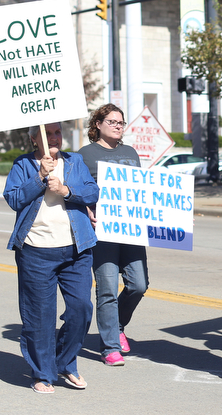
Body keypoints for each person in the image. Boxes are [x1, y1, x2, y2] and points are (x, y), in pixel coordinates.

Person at [3, 122, 99, 394]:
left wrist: (66, 191)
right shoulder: (22, 165)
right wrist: (40, 177)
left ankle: (65, 362)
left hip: (76, 249)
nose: (55, 137)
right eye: (48, 133)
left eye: (58, 132)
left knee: (80, 309)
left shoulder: (75, 161)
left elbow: (93, 191)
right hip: (36, 251)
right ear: (35, 139)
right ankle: (43, 373)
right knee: (39, 317)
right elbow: (13, 199)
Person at [78, 104, 149, 366]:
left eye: (121, 122)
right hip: (103, 232)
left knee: (138, 284)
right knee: (107, 288)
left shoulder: (130, 152)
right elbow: (77, 189)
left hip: (131, 230)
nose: (119, 126)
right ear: (97, 124)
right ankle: (109, 346)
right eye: (113, 121)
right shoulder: (85, 154)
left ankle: (117, 325)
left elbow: (142, 191)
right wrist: (85, 210)